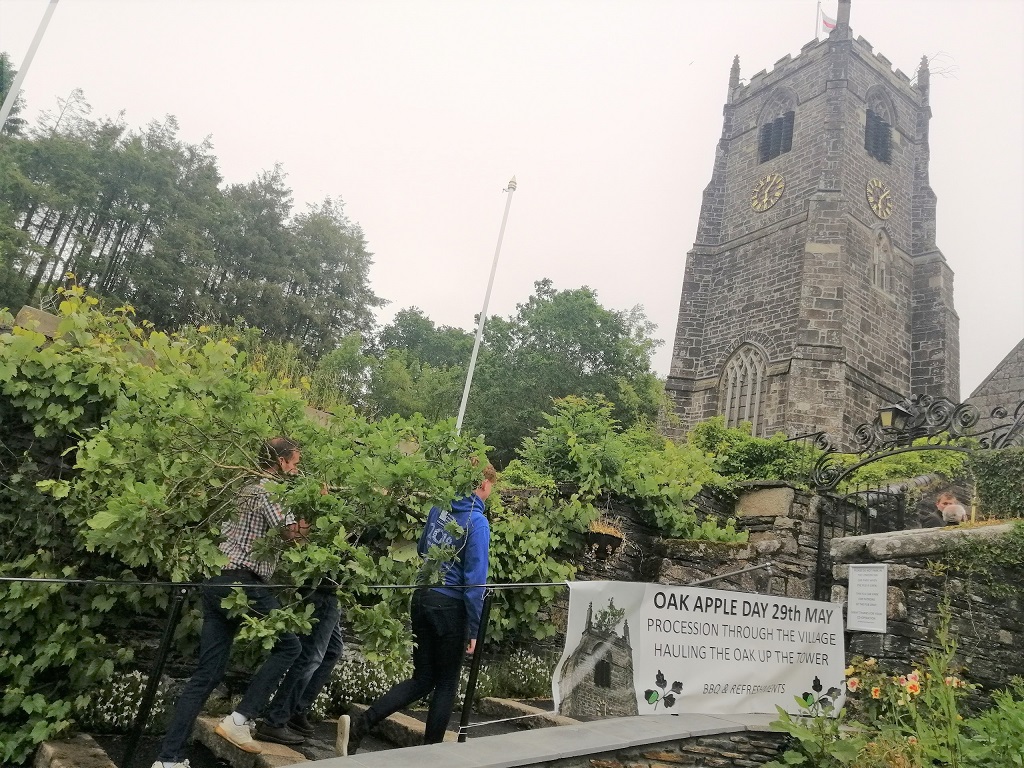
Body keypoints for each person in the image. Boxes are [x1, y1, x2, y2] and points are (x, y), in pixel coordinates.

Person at [151, 437, 309, 768]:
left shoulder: (243, 488)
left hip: (216, 582)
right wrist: (314, 509)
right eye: (294, 462)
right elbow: (291, 534)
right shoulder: (269, 489)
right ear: (280, 462)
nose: (297, 469)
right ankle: (240, 720)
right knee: (290, 646)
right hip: (242, 582)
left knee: (206, 674)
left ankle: (168, 760)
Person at [337, 463, 497, 756]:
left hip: (422, 598)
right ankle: (429, 756)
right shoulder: (477, 522)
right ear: (484, 485)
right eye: (490, 489)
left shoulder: (439, 507)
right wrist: (474, 628)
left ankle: (362, 724)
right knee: (446, 683)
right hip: (450, 606)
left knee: (423, 678)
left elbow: (424, 548)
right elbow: (475, 580)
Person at [252, 584, 345, 744]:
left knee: (332, 651)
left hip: (334, 592)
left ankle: (297, 710)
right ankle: (275, 720)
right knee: (310, 657)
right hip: (325, 590)